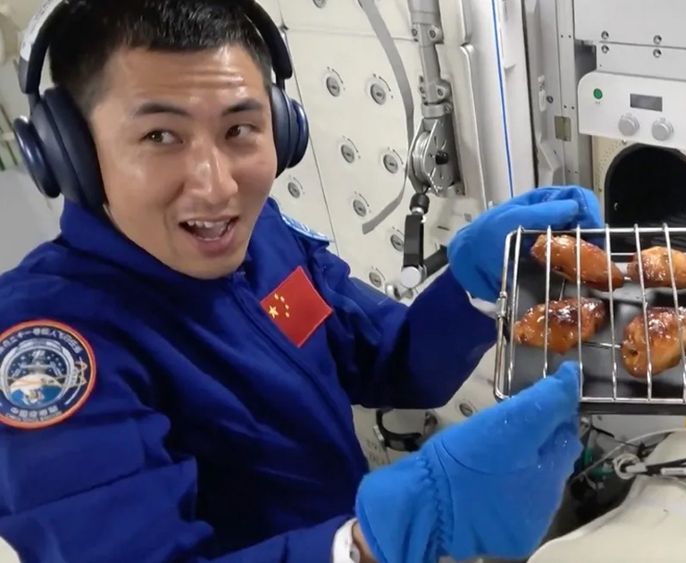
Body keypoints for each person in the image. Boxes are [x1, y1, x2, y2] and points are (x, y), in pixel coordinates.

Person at [0, 1, 605, 562]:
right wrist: (370, 543)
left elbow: (389, 361)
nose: (216, 187)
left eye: (240, 129)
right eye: (160, 136)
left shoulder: (261, 239)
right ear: (70, 153)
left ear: (283, 131)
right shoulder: (48, 350)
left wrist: (474, 286)